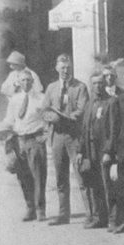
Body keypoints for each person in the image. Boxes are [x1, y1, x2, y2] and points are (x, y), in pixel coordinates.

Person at [41, 54, 88, 225]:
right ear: (56, 68)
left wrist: (65, 118)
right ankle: (63, 214)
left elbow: (82, 111)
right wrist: (49, 118)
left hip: (74, 136)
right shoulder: (51, 88)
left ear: (72, 68)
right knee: (61, 177)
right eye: (62, 68)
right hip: (57, 137)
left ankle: (91, 215)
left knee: (82, 175)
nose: (65, 71)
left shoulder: (80, 87)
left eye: (68, 67)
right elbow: (44, 109)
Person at [0, 69, 48, 220]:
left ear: (33, 82)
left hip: (35, 140)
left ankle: (40, 210)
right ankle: (30, 208)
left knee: (38, 176)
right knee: (23, 176)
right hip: (19, 141)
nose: (26, 83)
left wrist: (45, 135)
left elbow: (48, 118)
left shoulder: (41, 98)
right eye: (23, 80)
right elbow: (9, 120)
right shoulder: (15, 99)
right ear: (18, 83)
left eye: (29, 80)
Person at [79, 72, 119, 230]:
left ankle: (113, 219)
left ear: (105, 84)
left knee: (108, 186)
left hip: (104, 151)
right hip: (91, 151)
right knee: (95, 185)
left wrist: (109, 151)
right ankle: (99, 217)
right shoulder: (89, 104)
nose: (97, 86)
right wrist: (82, 151)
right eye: (94, 83)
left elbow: (113, 129)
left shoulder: (111, 102)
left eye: (100, 83)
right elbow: (84, 128)